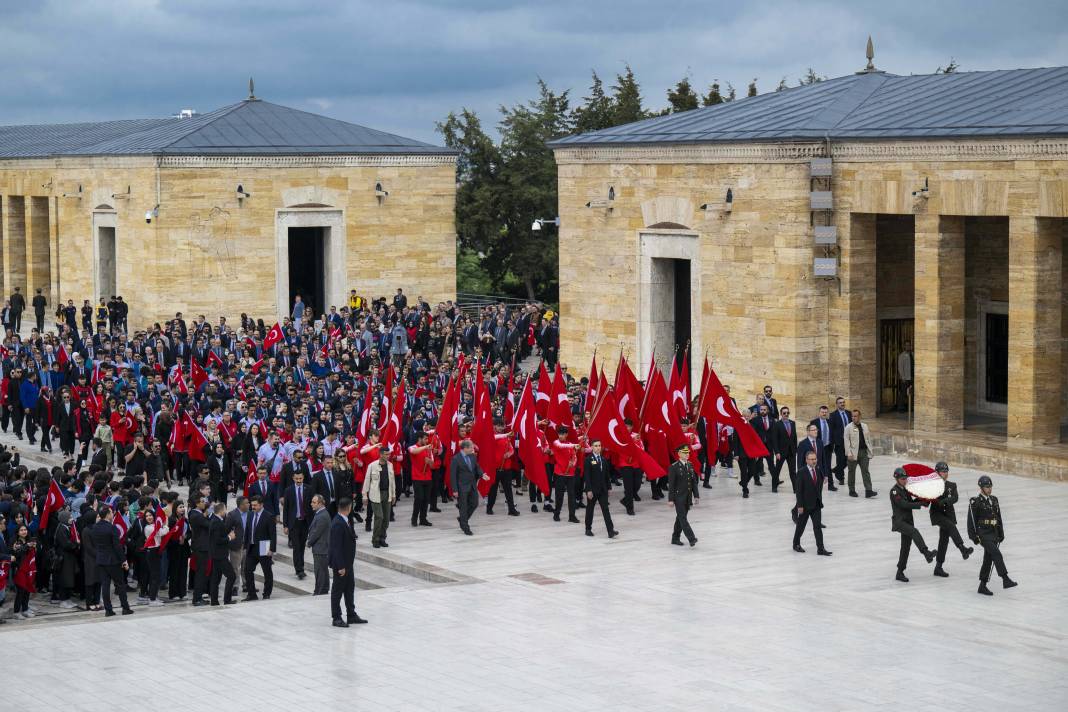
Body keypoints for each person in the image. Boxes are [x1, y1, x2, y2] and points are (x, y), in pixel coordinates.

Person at [967, 475, 1017, 596]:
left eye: (990, 486)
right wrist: (974, 537)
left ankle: (982, 585)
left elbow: (998, 518)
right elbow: (971, 522)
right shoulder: (975, 502)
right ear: (981, 488)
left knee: (988, 559)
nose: (989, 489)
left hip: (993, 533)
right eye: (986, 487)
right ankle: (1005, 578)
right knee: (996, 553)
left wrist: (1001, 533)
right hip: (983, 534)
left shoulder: (994, 500)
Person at [889, 468, 936, 582]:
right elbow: (904, 504)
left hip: (908, 521)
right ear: (897, 479)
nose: (904, 480)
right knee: (914, 532)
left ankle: (900, 572)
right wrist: (920, 504)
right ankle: (926, 553)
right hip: (900, 522)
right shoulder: (894, 491)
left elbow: (911, 502)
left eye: (905, 478)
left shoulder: (905, 490)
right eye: (902, 479)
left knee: (905, 547)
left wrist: (923, 500)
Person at [928, 462, 974, 577]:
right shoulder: (931, 486)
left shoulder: (952, 485)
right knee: (950, 526)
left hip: (948, 514)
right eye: (943, 471)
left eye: (946, 471)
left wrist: (944, 501)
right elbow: (930, 498)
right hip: (937, 514)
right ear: (937, 473)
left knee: (944, 541)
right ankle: (962, 548)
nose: (945, 473)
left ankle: (938, 567)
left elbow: (955, 498)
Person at [329, 497, 367, 627]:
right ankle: (336, 617)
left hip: (348, 563)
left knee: (349, 588)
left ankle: (351, 614)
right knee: (338, 590)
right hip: (342, 564)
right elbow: (336, 547)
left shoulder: (344, 520)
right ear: (349, 508)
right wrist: (341, 566)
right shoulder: (338, 523)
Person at [90, 506, 134, 617]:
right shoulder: (112, 528)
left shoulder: (95, 527)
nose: (112, 514)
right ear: (107, 515)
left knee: (105, 585)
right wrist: (124, 560)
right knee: (120, 584)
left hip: (101, 559)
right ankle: (125, 608)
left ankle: (108, 610)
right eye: (111, 512)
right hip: (113, 560)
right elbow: (117, 546)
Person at [793, 450, 831, 556]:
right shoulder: (801, 472)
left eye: (815, 459)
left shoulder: (818, 470)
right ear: (806, 460)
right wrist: (799, 505)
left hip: (816, 505)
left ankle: (820, 548)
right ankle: (796, 544)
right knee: (801, 526)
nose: (814, 461)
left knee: (817, 527)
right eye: (811, 459)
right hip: (805, 505)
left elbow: (818, 487)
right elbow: (799, 490)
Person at [450, 439, 487, 535]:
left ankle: (462, 519)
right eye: (471, 447)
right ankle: (465, 527)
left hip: (472, 485)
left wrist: (482, 474)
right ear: (465, 448)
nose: (473, 449)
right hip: (461, 487)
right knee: (463, 507)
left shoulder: (472, 456)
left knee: (475, 503)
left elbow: (477, 467)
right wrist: (455, 490)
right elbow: (453, 475)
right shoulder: (456, 459)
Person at [243, 495, 276, 600]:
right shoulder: (250, 514)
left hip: (264, 546)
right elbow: (247, 531)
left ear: (261, 505)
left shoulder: (269, 516)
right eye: (252, 505)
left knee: (267, 571)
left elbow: (273, 534)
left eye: (255, 505)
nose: (253, 507)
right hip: (251, 547)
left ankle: (267, 593)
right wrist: (245, 545)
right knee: (247, 570)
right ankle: (252, 594)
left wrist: (272, 549)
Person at [282, 470, 314, 577]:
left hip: (305, 522)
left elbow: (312, 507)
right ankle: (299, 570)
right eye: (296, 479)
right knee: (296, 547)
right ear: (293, 478)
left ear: (303, 478)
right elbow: (286, 509)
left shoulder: (309, 489)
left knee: (302, 546)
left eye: (300, 478)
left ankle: (301, 567)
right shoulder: (288, 490)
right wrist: (285, 525)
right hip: (294, 523)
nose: (299, 480)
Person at [362, 448, 396, 548]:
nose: (388, 456)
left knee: (386, 519)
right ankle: (375, 539)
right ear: (380, 455)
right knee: (379, 517)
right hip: (375, 494)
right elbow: (367, 480)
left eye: (389, 454)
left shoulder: (390, 465)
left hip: (387, 494)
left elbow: (392, 481)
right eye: (386, 454)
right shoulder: (372, 465)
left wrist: (394, 495)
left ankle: (382, 538)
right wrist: (364, 495)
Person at [584, 440, 618, 538]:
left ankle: (610, 531)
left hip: (603, 489)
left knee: (606, 509)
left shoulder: (603, 459)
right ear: (592, 447)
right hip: (593, 490)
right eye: (596, 446)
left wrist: (609, 487)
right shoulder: (588, 459)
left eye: (599, 445)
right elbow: (587, 476)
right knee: (590, 509)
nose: (598, 447)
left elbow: (607, 475)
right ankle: (588, 529)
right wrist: (588, 490)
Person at [667, 444, 699, 547]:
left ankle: (675, 538)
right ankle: (691, 538)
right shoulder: (674, 467)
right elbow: (671, 485)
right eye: (685, 453)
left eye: (688, 453)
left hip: (687, 497)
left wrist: (696, 496)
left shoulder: (690, 465)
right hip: (678, 498)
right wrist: (671, 499)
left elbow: (693, 482)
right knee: (683, 518)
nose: (687, 454)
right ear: (679, 454)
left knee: (680, 518)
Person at [208, 503, 237, 605]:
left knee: (215, 579)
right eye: (225, 509)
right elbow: (218, 540)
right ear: (221, 511)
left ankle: (214, 601)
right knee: (231, 576)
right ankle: (227, 599)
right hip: (220, 555)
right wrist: (229, 537)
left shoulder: (216, 520)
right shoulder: (216, 522)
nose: (226, 511)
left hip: (216, 555)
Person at [843, 410, 877, 498]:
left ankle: (868, 491)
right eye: (852, 416)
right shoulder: (848, 427)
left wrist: (870, 451)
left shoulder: (865, 426)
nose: (853, 418)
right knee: (851, 472)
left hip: (864, 452)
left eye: (855, 416)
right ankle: (852, 490)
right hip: (853, 453)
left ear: (859, 416)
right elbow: (846, 441)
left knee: (866, 472)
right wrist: (849, 453)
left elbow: (868, 439)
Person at [187, 494, 211, 605]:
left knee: (202, 572)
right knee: (201, 573)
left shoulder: (197, 514)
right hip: (201, 547)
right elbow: (209, 525)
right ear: (197, 503)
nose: (204, 503)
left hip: (201, 546)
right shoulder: (196, 515)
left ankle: (198, 597)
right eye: (202, 501)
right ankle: (197, 599)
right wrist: (208, 515)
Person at [306, 494, 331, 595]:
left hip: (321, 548)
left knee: (320, 571)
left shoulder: (322, 516)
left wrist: (309, 542)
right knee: (321, 570)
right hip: (320, 548)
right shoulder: (320, 513)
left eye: (314, 502)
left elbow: (316, 532)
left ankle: (320, 591)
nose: (311, 504)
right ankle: (322, 589)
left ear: (320, 504)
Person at [769, 405, 797, 492]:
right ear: (781, 414)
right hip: (781, 452)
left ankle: (795, 489)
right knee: (777, 470)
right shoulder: (777, 424)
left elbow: (794, 437)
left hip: (791, 452)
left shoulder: (792, 423)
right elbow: (774, 440)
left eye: (788, 412)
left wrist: (795, 450)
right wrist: (777, 452)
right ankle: (774, 487)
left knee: (793, 471)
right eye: (784, 413)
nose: (786, 414)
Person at [897, 341, 913, 412]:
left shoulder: (912, 354)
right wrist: (903, 377)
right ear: (904, 346)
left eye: (909, 345)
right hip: (905, 378)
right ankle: (901, 408)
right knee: (903, 393)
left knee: (911, 393)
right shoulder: (902, 356)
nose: (908, 347)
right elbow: (900, 367)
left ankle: (910, 407)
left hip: (912, 377)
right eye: (906, 345)